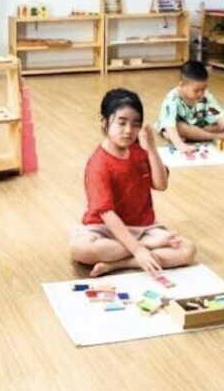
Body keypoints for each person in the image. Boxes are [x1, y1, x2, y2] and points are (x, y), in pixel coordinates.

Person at [69, 89, 196, 277]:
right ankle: (146, 248)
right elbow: (106, 214)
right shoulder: (98, 163)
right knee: (81, 249)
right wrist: (138, 248)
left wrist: (151, 148)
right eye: (122, 123)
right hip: (104, 230)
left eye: (135, 124)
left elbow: (161, 184)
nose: (129, 130)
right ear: (104, 122)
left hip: (143, 228)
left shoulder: (140, 151)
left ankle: (118, 264)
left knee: (187, 250)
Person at [157, 60, 224, 154]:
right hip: (179, 127)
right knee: (179, 127)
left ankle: (194, 135)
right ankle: (212, 136)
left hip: (199, 125)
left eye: (204, 89)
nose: (201, 94)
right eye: (196, 91)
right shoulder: (172, 99)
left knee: (221, 125)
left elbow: (217, 113)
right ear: (182, 85)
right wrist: (179, 145)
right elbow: (169, 124)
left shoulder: (205, 96)